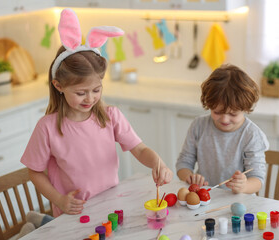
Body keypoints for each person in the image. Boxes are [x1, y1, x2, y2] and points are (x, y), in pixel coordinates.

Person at [21, 8, 173, 218]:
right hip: (73, 211)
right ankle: (40, 221)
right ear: (58, 86)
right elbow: (35, 171)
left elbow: (139, 149)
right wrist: (59, 200)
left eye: (96, 90)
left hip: (110, 203)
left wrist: (158, 163)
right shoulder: (47, 127)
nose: (90, 99)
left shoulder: (111, 116)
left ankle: (38, 222)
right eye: (81, 92)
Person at [176, 64, 268, 194]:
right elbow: (183, 163)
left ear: (245, 108)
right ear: (209, 105)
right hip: (205, 198)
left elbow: (257, 179)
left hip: (238, 201)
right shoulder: (198, 126)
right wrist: (189, 177)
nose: (224, 119)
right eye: (217, 112)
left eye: (233, 114)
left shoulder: (251, 135)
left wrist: (244, 186)